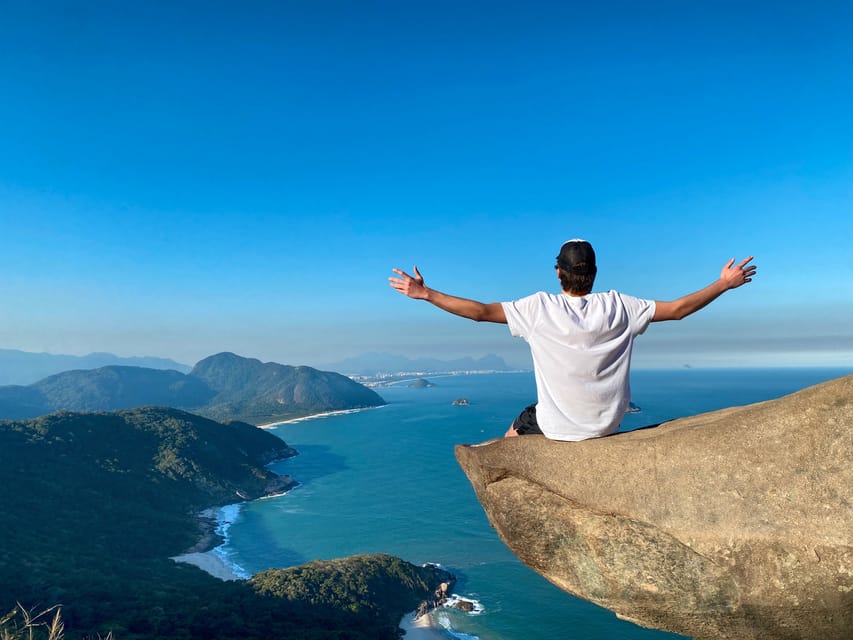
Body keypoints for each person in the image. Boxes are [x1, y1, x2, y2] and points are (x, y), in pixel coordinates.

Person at [388, 239, 757, 442]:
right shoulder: (621, 306)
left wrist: (426, 294)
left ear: (557, 272)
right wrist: (724, 284)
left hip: (558, 429)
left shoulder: (538, 309)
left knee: (514, 431)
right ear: (594, 273)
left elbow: (481, 312)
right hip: (607, 426)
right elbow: (678, 309)